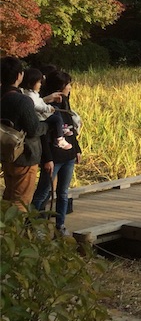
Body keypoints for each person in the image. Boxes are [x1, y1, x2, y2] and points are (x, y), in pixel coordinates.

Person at [31, 71, 80, 234]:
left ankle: (60, 225)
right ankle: (31, 225)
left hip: (68, 156)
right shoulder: (48, 108)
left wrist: (77, 149)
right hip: (54, 157)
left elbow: (71, 129)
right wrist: (47, 159)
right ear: (60, 87)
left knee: (63, 193)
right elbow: (43, 136)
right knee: (43, 192)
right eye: (68, 85)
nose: (70, 88)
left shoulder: (66, 103)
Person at [1, 56, 52, 208]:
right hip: (25, 155)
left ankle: (5, 229)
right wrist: (48, 125)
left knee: (9, 196)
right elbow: (34, 129)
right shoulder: (22, 100)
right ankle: (13, 231)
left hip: (6, 152)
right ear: (19, 76)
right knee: (20, 201)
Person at [20, 67, 70, 151]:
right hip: (40, 116)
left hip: (42, 113)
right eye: (39, 82)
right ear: (31, 83)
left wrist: (48, 105)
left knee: (56, 109)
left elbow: (39, 101)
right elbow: (36, 105)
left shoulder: (33, 93)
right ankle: (59, 138)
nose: (41, 84)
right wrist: (47, 108)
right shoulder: (30, 95)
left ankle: (62, 128)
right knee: (57, 119)